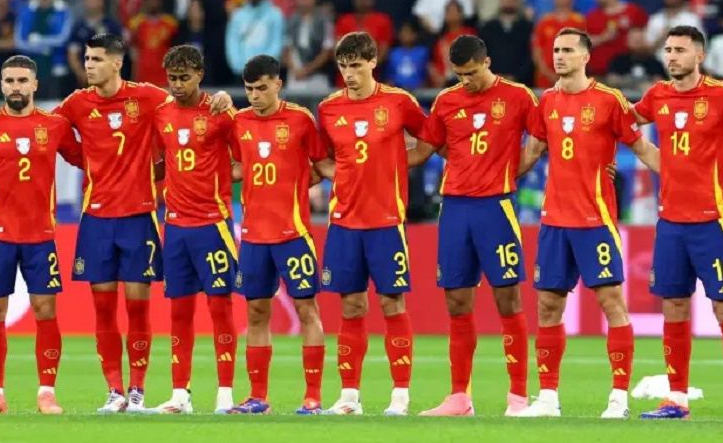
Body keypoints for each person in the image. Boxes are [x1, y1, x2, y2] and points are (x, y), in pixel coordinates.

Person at [0, 34, 231, 413]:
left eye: (95, 59)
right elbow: (34, 123)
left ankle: (138, 390)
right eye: (87, 58)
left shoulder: (148, 97)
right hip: (96, 219)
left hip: (139, 216)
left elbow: (187, 102)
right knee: (104, 309)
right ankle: (115, 391)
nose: (88, 65)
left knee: (138, 307)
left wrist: (219, 98)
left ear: (116, 63)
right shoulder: (76, 104)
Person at [512, 28, 660, 419]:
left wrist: (683, 179)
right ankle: (548, 398)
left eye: (567, 50)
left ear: (585, 57)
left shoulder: (609, 100)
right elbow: (532, 151)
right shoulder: (547, 101)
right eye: (555, 50)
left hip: (595, 221)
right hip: (554, 221)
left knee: (612, 303)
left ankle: (618, 399)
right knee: (548, 306)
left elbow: (642, 147)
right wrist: (493, 179)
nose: (559, 56)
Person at [632, 25, 723, 421]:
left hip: (713, 222)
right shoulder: (657, 95)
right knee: (673, 306)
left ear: (700, 56)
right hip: (671, 222)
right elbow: (622, 122)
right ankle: (677, 399)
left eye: (680, 50)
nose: (672, 56)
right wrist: (647, 156)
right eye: (668, 50)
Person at [407, 35, 536, 416]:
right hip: (455, 208)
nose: (466, 81)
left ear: (487, 62)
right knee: (457, 300)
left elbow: (542, 139)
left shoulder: (517, 96)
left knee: (507, 298)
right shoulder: (447, 101)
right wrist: (371, 163)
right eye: (460, 75)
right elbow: (425, 149)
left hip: (496, 207)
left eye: (472, 73)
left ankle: (518, 397)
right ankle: (459, 397)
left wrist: (510, 171)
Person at [0, 55, 82, 415]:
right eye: (10, 81)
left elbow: (85, 158)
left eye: (22, 80)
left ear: (35, 85)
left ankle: (47, 393)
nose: (16, 87)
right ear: (2, 85)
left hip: (40, 236)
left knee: (45, 310)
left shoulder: (54, 125)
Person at [315, 31, 427, 416]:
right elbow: (321, 158)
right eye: (343, 66)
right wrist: (341, 175)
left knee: (391, 302)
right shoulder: (329, 108)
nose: (349, 73)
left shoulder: (398, 102)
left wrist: (398, 164)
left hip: (386, 220)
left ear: (373, 62)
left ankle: (400, 396)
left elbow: (429, 140)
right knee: (350, 305)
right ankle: (349, 396)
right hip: (344, 221)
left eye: (356, 65)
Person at [228, 55, 331, 415]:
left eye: (261, 88)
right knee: (256, 313)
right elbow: (238, 166)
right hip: (254, 236)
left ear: (278, 84)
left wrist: (300, 182)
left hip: (293, 233)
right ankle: (258, 397)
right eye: (249, 89)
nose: (254, 95)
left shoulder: (300, 120)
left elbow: (321, 165)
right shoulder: (239, 122)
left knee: (307, 310)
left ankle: (313, 397)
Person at [148, 46, 239, 416]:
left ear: (200, 74)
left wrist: (222, 178)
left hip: (213, 224)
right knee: (179, 312)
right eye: (172, 78)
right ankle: (179, 394)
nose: (177, 85)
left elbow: (247, 156)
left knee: (220, 308)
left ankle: (225, 394)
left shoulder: (219, 113)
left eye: (184, 78)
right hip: (175, 226)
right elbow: (158, 163)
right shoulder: (162, 114)